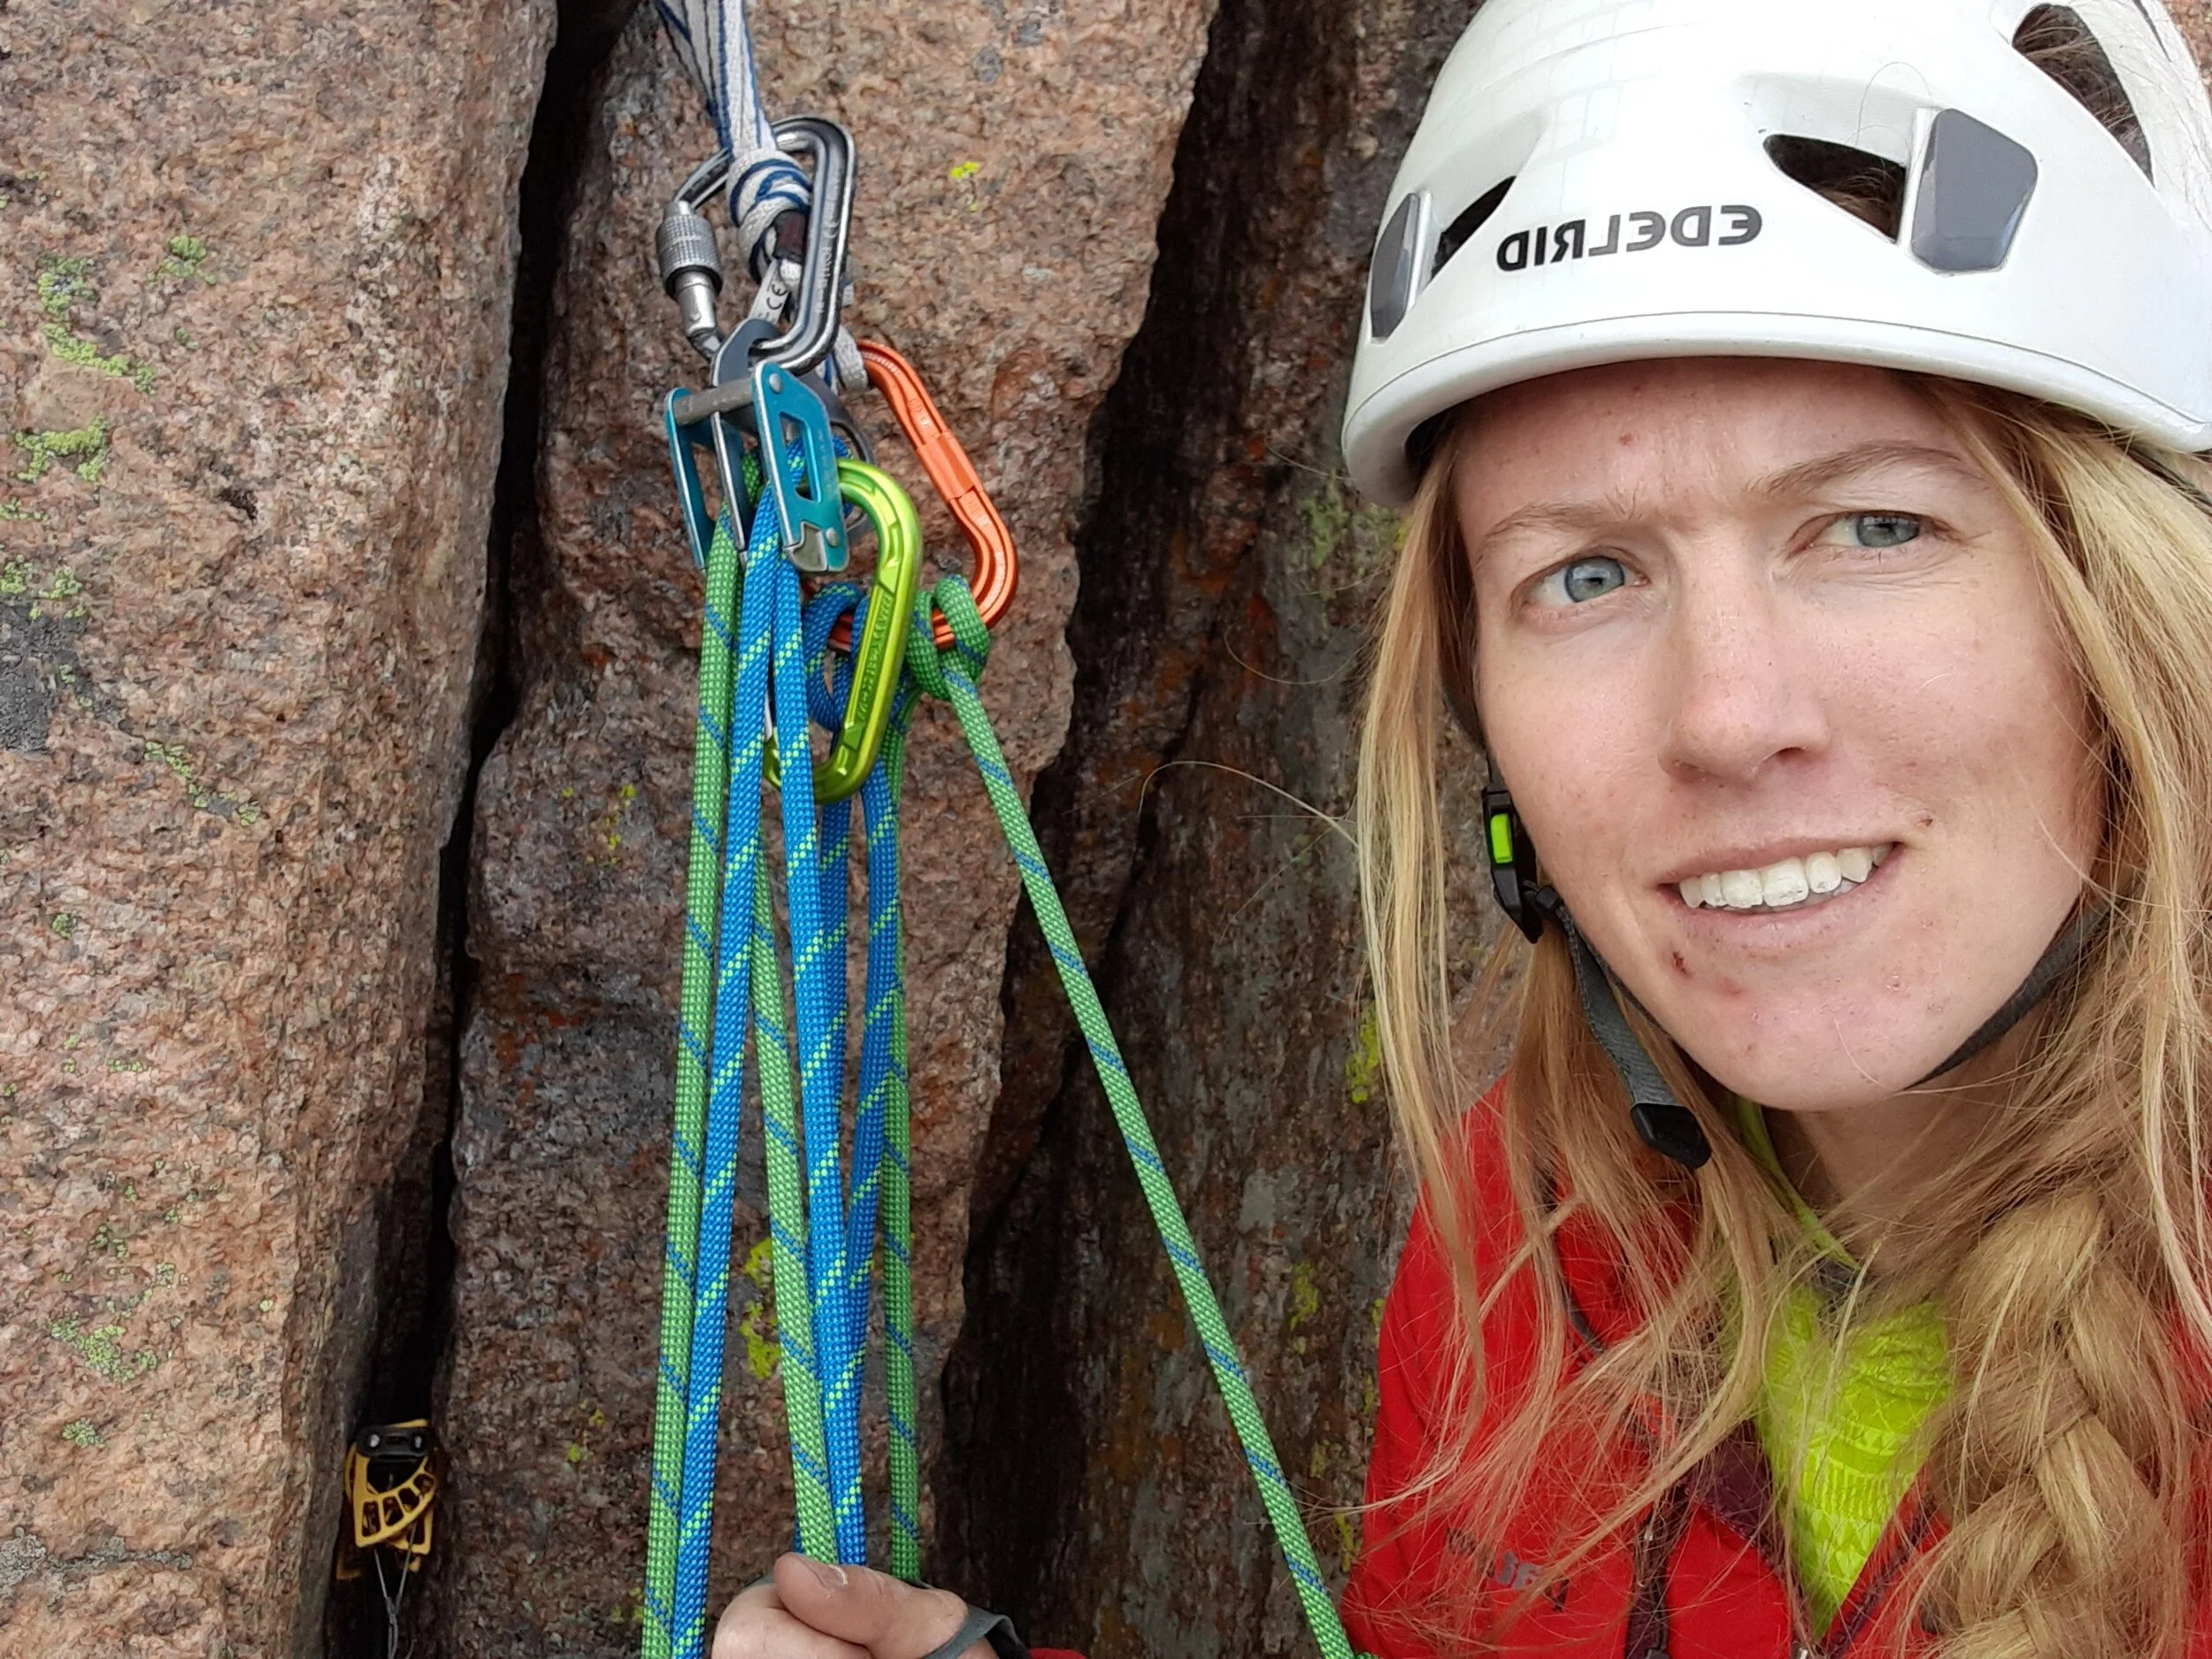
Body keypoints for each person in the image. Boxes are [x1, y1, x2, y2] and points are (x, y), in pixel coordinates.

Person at [717, 0, 2212, 1654]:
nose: (1725, 716)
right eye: (1587, 574)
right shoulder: (1540, 1234)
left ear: (2130, 624)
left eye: (1872, 525)